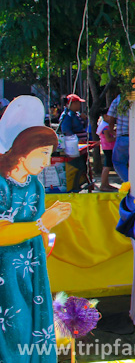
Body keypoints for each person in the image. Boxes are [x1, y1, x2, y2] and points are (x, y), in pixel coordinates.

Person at [0, 96, 72, 362]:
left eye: (49, 154)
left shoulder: (35, 187)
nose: (47, 161)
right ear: (22, 150)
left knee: (34, 328)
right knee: (13, 330)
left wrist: (45, 236)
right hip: (4, 273)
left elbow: (41, 230)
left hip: (32, 269)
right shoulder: (2, 186)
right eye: (43, 153)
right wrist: (44, 223)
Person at [107, 93, 129, 182]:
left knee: (118, 162)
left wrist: (112, 131)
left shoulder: (119, 99)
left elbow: (110, 118)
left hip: (123, 136)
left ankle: (129, 184)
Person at [96, 108, 116, 192]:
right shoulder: (105, 127)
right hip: (108, 148)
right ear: (105, 116)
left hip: (107, 148)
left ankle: (106, 184)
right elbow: (108, 139)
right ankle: (103, 184)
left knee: (107, 165)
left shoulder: (104, 125)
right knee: (107, 166)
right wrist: (116, 137)